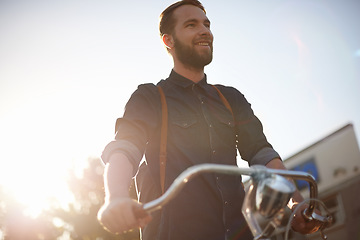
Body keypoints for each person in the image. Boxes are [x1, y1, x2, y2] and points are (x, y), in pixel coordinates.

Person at [97, 1, 322, 239]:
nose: (205, 31)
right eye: (191, 25)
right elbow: (125, 149)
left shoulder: (231, 98)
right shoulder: (150, 97)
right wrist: (116, 198)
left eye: (206, 24)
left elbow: (261, 152)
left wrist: (297, 204)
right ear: (168, 41)